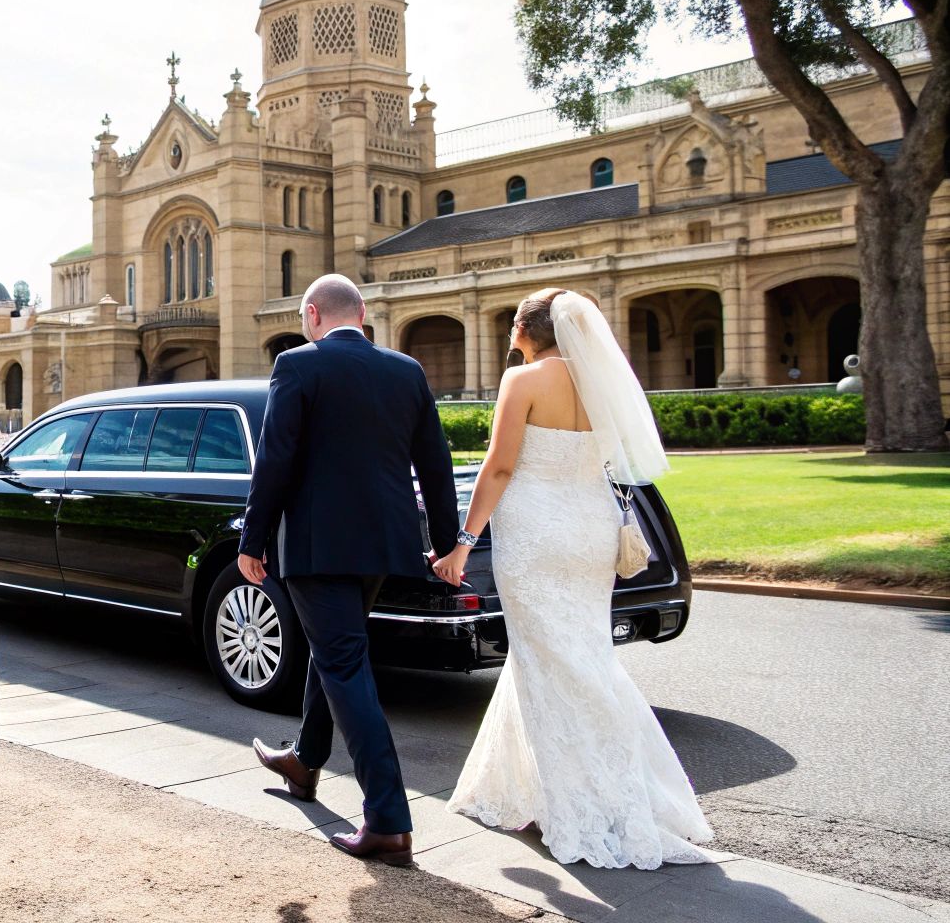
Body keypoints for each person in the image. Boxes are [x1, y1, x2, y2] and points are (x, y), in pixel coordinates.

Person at [432, 287, 712, 869]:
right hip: (591, 530)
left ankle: (582, 804)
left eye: (514, 323)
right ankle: (531, 788)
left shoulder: (523, 380)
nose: (511, 332)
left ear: (527, 330)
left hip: (536, 535)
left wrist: (463, 543)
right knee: (578, 654)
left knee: (551, 658)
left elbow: (500, 466)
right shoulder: (599, 380)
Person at [241, 274, 459, 868]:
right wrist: (446, 544)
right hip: (383, 545)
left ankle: (388, 821)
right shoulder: (406, 370)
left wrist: (252, 539)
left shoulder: (296, 364)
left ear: (312, 315)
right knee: (334, 648)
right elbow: (435, 464)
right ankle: (304, 762)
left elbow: (275, 459)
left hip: (317, 546)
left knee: (342, 663)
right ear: (362, 315)